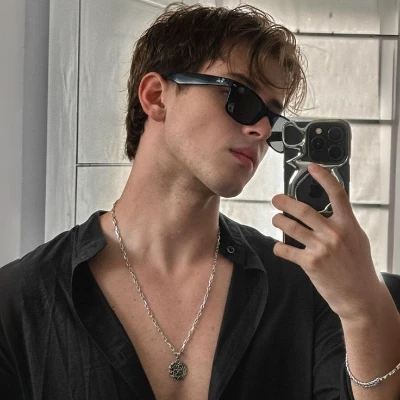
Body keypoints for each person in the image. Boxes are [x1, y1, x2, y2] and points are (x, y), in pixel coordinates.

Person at [0, 2, 399, 399]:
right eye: (240, 97)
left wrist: (363, 306)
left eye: (273, 118)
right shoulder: (20, 300)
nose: (262, 130)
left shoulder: (306, 289)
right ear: (157, 97)